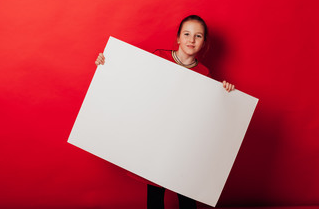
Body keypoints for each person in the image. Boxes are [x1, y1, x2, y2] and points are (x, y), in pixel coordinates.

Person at [95, 15, 235, 209]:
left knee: (186, 195)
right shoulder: (159, 58)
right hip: (155, 141)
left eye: (198, 36)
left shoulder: (205, 74)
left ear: (204, 43)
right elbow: (132, 80)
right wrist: (106, 64)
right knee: (155, 194)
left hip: (183, 146)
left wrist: (226, 93)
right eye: (186, 34)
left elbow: (209, 115)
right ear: (178, 38)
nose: (191, 40)